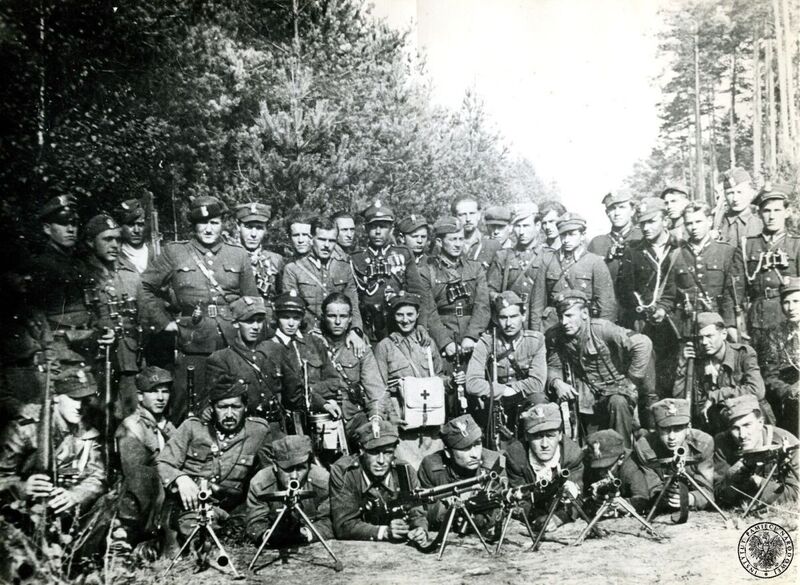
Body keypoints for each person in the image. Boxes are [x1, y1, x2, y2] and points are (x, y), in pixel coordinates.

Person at [139, 196, 258, 424]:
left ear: (223, 223)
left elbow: (251, 300)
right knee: (187, 406)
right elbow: (146, 286)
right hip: (191, 343)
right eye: (202, 223)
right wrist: (164, 322)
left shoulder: (238, 255)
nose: (208, 229)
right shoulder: (175, 253)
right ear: (193, 225)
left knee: (233, 404)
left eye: (214, 222)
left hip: (231, 343)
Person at [157, 376, 275, 541]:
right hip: (194, 505)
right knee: (197, 533)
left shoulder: (258, 431)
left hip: (232, 507)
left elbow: (268, 473)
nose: (229, 414)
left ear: (245, 407)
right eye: (222, 407)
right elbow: (163, 463)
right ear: (212, 408)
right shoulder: (192, 427)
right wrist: (181, 479)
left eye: (235, 407)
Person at [546, 290, 654, 447]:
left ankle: (623, 456)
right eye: (561, 316)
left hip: (618, 391)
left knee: (618, 404)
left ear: (584, 313)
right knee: (593, 444)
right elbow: (553, 365)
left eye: (569, 315)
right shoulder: (556, 335)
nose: (564, 322)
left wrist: (632, 380)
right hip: (587, 397)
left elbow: (643, 343)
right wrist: (557, 382)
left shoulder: (602, 328)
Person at [0, 362, 106, 516]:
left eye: (85, 400)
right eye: (73, 398)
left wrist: (76, 495)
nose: (79, 406)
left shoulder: (86, 430)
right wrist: (21, 487)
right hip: (18, 510)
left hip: (60, 512)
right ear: (56, 397)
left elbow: (96, 476)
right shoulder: (26, 429)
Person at [373, 292, 449, 469]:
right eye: (399, 314)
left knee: (436, 473)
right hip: (403, 428)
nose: (405, 320)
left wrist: (450, 383)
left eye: (410, 314)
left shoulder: (427, 344)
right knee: (409, 475)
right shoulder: (385, 347)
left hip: (431, 428)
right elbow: (379, 388)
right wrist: (391, 416)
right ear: (393, 316)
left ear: (417, 314)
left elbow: (439, 376)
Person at [618, 197, 683, 397]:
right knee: (648, 382)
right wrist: (642, 309)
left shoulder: (680, 248)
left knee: (675, 377)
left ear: (665, 221)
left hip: (674, 324)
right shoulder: (634, 251)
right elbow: (624, 288)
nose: (646, 227)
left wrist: (666, 309)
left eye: (651, 221)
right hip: (643, 323)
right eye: (642, 222)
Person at [329, 420, 429, 544]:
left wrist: (419, 529)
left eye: (388, 453)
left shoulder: (404, 471)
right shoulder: (345, 472)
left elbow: (417, 511)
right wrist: (384, 532)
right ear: (361, 450)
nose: (381, 461)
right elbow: (344, 525)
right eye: (374, 452)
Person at [350, 200, 437, 343]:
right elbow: (353, 298)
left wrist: (421, 324)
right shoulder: (357, 258)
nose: (378, 232)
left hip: (399, 327)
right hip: (369, 330)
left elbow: (419, 292)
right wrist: (358, 329)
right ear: (366, 229)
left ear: (391, 229)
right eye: (373, 227)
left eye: (383, 227)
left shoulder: (403, 254)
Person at [465, 291, 547, 442]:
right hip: (495, 402)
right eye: (503, 317)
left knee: (540, 401)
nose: (509, 323)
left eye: (514, 317)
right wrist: (502, 390)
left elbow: (537, 383)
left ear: (523, 316)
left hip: (524, 401)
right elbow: (471, 383)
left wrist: (511, 390)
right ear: (496, 319)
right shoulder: (487, 342)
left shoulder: (535, 341)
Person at [82, 213, 142, 417]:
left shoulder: (131, 273)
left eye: (118, 239)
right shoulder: (81, 274)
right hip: (95, 362)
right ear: (91, 242)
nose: (115, 244)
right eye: (107, 239)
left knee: (130, 419)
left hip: (129, 360)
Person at [674, 312, 773, 434]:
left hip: (750, 422)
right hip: (718, 425)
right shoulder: (697, 361)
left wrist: (715, 396)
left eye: (709, 336)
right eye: (700, 338)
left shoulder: (743, 354)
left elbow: (757, 390)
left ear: (724, 334)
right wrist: (683, 365)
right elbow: (680, 399)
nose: (704, 342)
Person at [660, 202, 742, 343]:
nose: (694, 227)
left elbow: (731, 294)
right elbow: (669, 295)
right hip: (686, 327)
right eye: (689, 223)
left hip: (717, 323)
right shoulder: (676, 255)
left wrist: (730, 325)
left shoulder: (726, 252)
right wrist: (661, 310)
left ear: (709, 221)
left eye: (698, 221)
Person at [282, 216, 366, 353]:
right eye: (322, 239)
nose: (327, 245)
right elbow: (293, 310)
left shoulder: (343, 268)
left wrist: (355, 331)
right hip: (307, 335)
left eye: (331, 240)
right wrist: (311, 333)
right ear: (311, 238)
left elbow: (353, 305)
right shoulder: (293, 269)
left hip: (341, 336)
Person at [260, 290, 342, 430]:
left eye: (296, 318)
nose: (291, 323)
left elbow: (333, 381)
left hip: (321, 414)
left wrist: (312, 392)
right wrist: (319, 399)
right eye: (286, 317)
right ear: (276, 317)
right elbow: (288, 394)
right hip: (286, 421)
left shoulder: (315, 343)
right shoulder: (269, 348)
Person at [116, 366, 177, 551]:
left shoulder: (167, 425)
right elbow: (136, 475)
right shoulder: (132, 427)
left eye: (165, 392)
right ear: (140, 396)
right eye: (153, 392)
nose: (161, 398)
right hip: (142, 501)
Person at [620, 398, 714, 516]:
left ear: (688, 427)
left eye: (678, 429)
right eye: (665, 429)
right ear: (657, 428)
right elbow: (652, 489)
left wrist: (690, 498)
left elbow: (708, 492)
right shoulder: (645, 447)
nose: (672, 437)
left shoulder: (703, 443)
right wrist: (665, 497)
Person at [313, 292, 390, 435]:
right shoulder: (312, 345)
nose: (337, 322)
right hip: (320, 418)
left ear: (350, 319)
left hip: (353, 419)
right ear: (323, 318)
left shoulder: (360, 348)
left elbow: (376, 391)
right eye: (332, 316)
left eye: (342, 317)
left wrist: (376, 418)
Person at [28, 196, 94, 361]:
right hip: (58, 346)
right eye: (64, 223)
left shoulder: (80, 265)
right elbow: (35, 314)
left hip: (86, 342)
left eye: (74, 224)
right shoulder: (40, 265)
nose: (71, 229)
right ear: (47, 229)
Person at [417, 414, 505, 535]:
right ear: (448, 453)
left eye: (478, 443)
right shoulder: (431, 466)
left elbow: (493, 513)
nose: (475, 454)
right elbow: (424, 511)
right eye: (465, 448)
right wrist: (452, 510)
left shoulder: (495, 464)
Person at [205, 296, 283, 430]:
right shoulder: (221, 359)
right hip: (244, 430)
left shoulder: (274, 350)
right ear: (236, 323)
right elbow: (209, 402)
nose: (256, 327)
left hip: (274, 428)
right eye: (249, 321)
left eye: (259, 321)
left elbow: (293, 392)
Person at [531, 212, 616, 332]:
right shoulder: (548, 260)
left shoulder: (594, 262)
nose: (566, 240)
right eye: (563, 235)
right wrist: (536, 335)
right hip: (552, 327)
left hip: (584, 326)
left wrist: (601, 334)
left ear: (582, 235)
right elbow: (537, 304)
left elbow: (606, 306)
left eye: (572, 234)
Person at [504, 403, 583, 531]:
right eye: (537, 437)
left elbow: (578, 497)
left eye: (550, 436)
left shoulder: (572, 455)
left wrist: (558, 518)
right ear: (527, 436)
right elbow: (519, 499)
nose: (544, 444)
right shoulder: (516, 457)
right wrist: (537, 517)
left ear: (560, 435)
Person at [743, 182, 800, 358]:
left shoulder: (796, 244)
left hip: (786, 316)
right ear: (759, 214)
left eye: (777, 210)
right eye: (767, 211)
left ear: (786, 212)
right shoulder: (748, 244)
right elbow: (740, 287)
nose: (772, 216)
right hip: (756, 317)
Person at [713, 395, 799, 509]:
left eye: (747, 425)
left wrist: (756, 482)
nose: (742, 435)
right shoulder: (723, 443)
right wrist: (736, 475)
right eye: (735, 428)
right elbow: (718, 493)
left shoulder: (787, 442)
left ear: (760, 423)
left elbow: (796, 493)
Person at [422, 216, 490, 359]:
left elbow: (482, 306)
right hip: (442, 339)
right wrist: (445, 342)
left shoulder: (475, 268)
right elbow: (429, 311)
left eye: (461, 239)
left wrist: (471, 336)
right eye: (453, 239)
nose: (458, 244)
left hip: (472, 339)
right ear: (440, 242)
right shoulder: (427, 271)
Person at [245, 435, 332, 545]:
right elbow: (255, 523)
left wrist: (306, 533)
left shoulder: (322, 480)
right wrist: (268, 535)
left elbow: (330, 521)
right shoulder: (261, 483)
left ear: (309, 465)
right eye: (288, 469)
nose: (294, 476)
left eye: (301, 468)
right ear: (275, 466)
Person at [234, 202, 284, 328]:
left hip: (267, 324)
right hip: (237, 322)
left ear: (266, 229)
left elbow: (280, 296)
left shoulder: (275, 260)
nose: (254, 234)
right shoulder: (228, 257)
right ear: (238, 226)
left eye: (259, 228)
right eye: (249, 227)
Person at [588, 189, 642, 305]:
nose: (617, 213)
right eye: (612, 208)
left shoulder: (642, 238)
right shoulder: (597, 243)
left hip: (637, 308)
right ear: (607, 212)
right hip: (606, 307)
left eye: (622, 207)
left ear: (632, 211)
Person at [762, 277, 800, 435]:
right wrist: (788, 392)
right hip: (790, 397)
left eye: (797, 302)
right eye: (786, 302)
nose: (791, 308)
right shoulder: (774, 334)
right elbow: (769, 375)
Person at [487, 203, 544, 305]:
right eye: (518, 226)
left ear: (538, 226)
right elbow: (490, 290)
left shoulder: (547, 256)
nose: (521, 232)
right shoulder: (503, 256)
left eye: (526, 226)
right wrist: (500, 299)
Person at [717, 167, 763, 247]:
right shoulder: (719, 223)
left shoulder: (761, 222)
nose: (735, 199)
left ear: (751, 193)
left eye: (739, 192)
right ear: (724, 195)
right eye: (730, 193)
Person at [453, 196, 501, 267]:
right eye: (462, 215)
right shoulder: (446, 245)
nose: (468, 219)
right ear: (454, 217)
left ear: (479, 215)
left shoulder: (492, 245)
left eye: (472, 213)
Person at [117, 198, 154, 274]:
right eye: (130, 225)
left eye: (140, 225)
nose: (136, 230)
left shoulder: (156, 253)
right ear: (121, 227)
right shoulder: (116, 255)